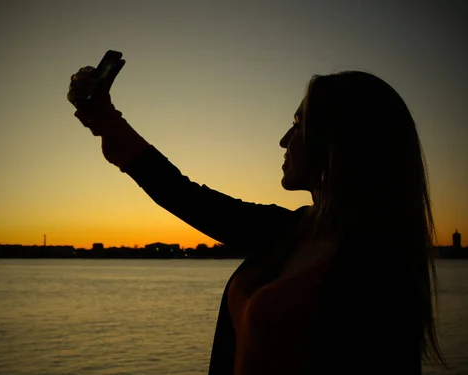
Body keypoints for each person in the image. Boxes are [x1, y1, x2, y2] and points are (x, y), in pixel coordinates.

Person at [67, 66, 446, 374]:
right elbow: (184, 195)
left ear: (337, 140)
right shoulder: (290, 230)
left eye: (298, 125)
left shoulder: (378, 272)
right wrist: (104, 119)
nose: (284, 140)